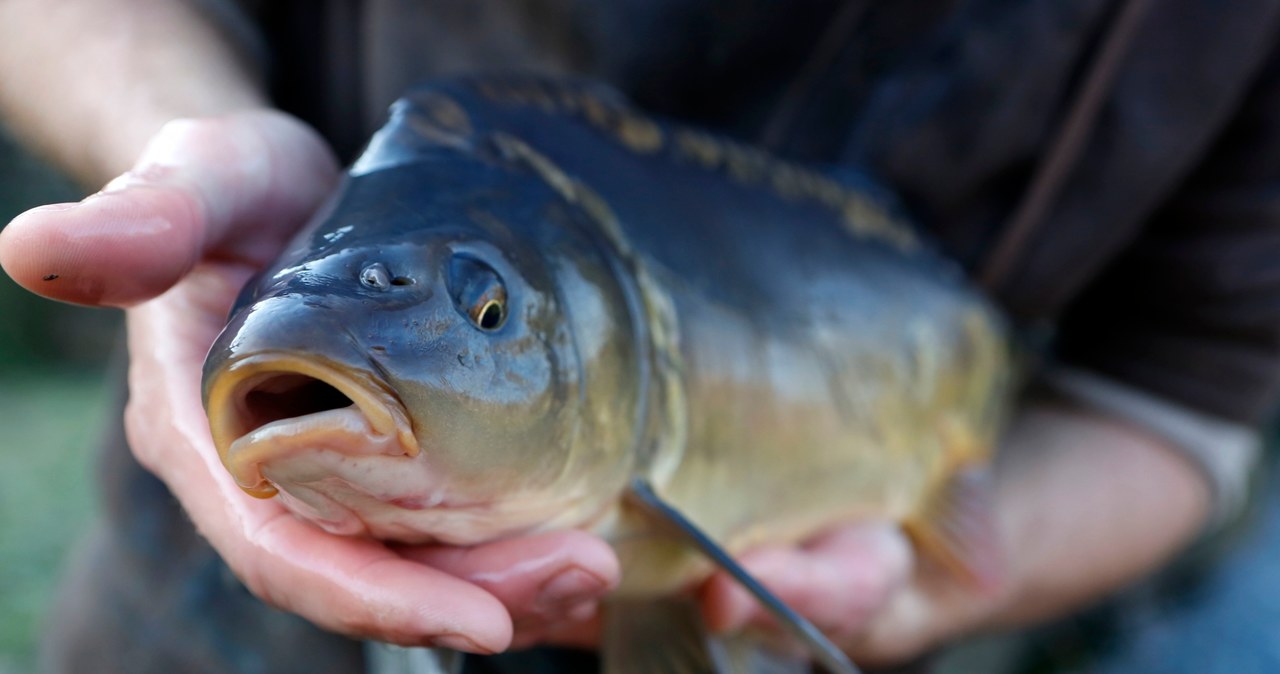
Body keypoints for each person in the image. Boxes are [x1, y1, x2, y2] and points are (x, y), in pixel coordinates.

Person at [1, 0, 1276, 672]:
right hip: (203, 623)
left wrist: (907, 586)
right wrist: (170, 128)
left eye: (483, 315)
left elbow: (1177, 399)